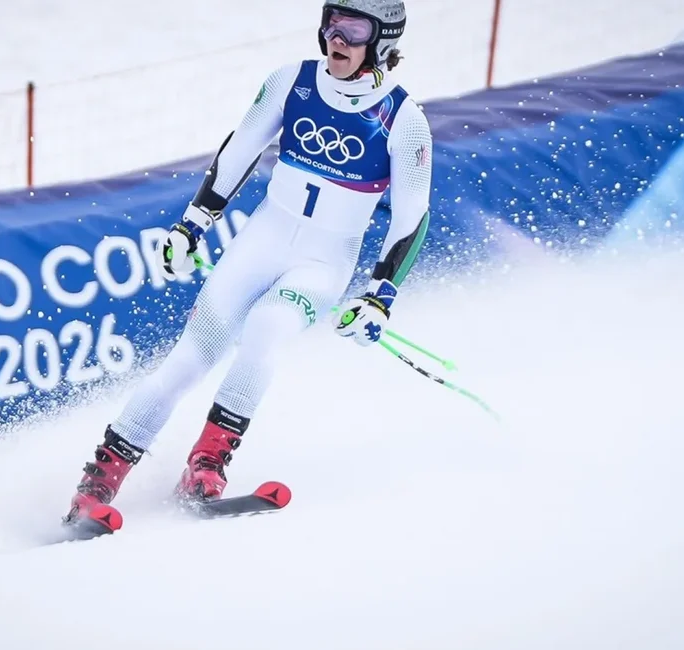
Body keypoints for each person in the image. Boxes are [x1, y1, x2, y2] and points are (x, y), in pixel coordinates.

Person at [64, 0, 432, 522]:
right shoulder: (291, 81)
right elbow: (239, 151)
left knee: (266, 329)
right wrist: (194, 222)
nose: (337, 38)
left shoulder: (403, 119)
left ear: (384, 42)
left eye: (354, 29)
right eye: (331, 23)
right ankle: (97, 485)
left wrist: (381, 296)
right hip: (262, 240)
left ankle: (205, 465)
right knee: (189, 359)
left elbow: (412, 218)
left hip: (323, 263)